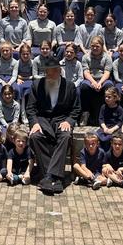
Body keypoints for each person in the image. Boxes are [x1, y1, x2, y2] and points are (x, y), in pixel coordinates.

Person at [27, 54, 80, 194]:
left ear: (59, 71)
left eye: (52, 73)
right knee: (35, 136)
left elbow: (76, 109)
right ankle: (56, 178)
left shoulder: (70, 86)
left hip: (61, 120)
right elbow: (31, 108)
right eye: (47, 73)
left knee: (66, 136)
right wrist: (34, 123)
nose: (49, 76)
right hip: (42, 120)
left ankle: (48, 177)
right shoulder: (37, 85)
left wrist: (69, 121)